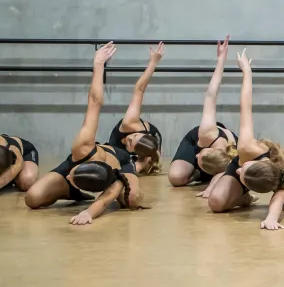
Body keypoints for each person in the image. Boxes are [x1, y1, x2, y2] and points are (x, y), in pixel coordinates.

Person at [24, 43, 144, 224]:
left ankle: (120, 193)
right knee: (32, 198)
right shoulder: (83, 147)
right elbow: (95, 101)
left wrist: (88, 213)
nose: (69, 176)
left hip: (119, 163)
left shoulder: (116, 175)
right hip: (92, 158)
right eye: (73, 175)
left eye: (73, 179)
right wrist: (98, 65)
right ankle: (70, 192)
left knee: (133, 199)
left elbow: (104, 200)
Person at [206, 50, 284, 229]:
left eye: (241, 174)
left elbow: (278, 197)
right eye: (243, 172)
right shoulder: (248, 148)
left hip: (272, 176)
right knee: (216, 203)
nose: (239, 172)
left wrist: (272, 218)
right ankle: (244, 197)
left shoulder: (282, 171)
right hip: (257, 166)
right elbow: (246, 107)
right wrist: (247, 72)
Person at [167, 37, 238, 189]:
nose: (197, 155)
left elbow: (227, 174)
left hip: (217, 155)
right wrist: (221, 61)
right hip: (197, 139)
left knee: (181, 178)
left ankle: (199, 175)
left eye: (197, 158)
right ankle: (197, 173)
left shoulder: (231, 160)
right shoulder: (207, 133)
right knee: (175, 178)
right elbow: (211, 95)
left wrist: (212, 188)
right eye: (199, 155)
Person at [107, 42, 165, 177]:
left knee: (140, 168)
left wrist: (141, 164)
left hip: (149, 147)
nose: (128, 138)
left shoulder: (144, 151)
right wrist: (153, 62)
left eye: (130, 143)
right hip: (145, 138)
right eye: (133, 136)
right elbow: (139, 89)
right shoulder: (130, 123)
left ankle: (147, 162)